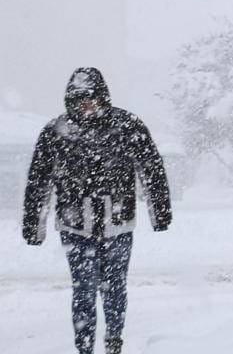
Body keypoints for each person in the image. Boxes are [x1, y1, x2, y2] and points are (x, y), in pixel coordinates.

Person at [22, 68, 172, 354]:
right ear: (70, 101)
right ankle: (85, 345)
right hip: (75, 227)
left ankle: (114, 340)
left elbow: (152, 169)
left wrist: (160, 211)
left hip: (118, 224)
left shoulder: (126, 126)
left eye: (91, 99)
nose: (86, 106)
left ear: (102, 98)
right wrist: (33, 224)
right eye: (80, 101)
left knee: (115, 287)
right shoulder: (56, 133)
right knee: (84, 290)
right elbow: (38, 181)